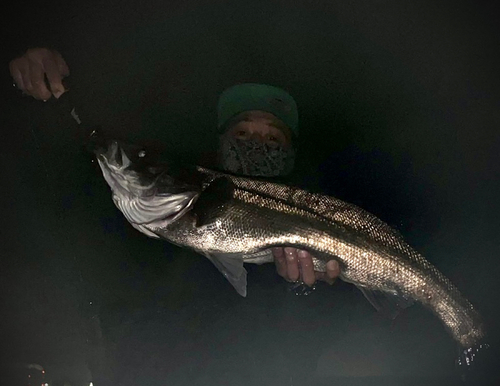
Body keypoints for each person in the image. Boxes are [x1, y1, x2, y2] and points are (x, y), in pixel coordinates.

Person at [9, 47, 341, 287]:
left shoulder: (320, 210)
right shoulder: (148, 229)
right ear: (220, 142)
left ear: (291, 153)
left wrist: (306, 289)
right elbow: (56, 169)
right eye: (242, 132)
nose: (255, 144)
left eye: (272, 138)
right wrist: (34, 84)